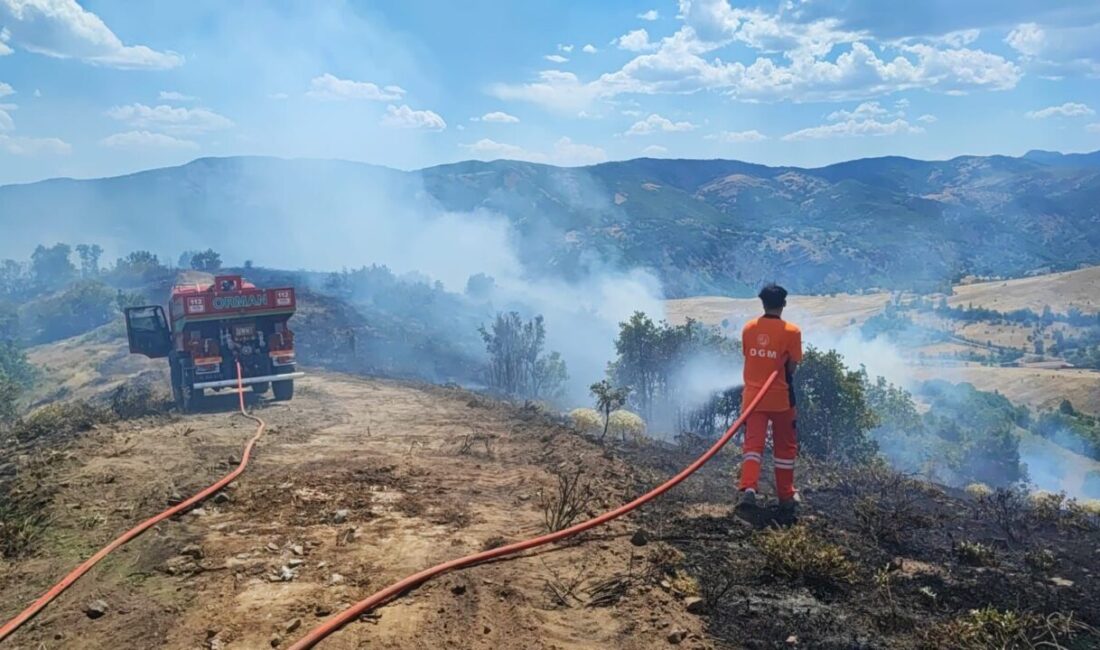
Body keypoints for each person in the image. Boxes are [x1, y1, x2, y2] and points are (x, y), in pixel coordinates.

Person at [737, 283, 803, 513]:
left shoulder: (748, 329)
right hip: (781, 400)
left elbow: (749, 356)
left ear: (763, 303)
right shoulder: (792, 332)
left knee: (753, 445)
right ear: (783, 304)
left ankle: (748, 489)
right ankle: (786, 495)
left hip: (753, 400)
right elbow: (791, 367)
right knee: (785, 448)